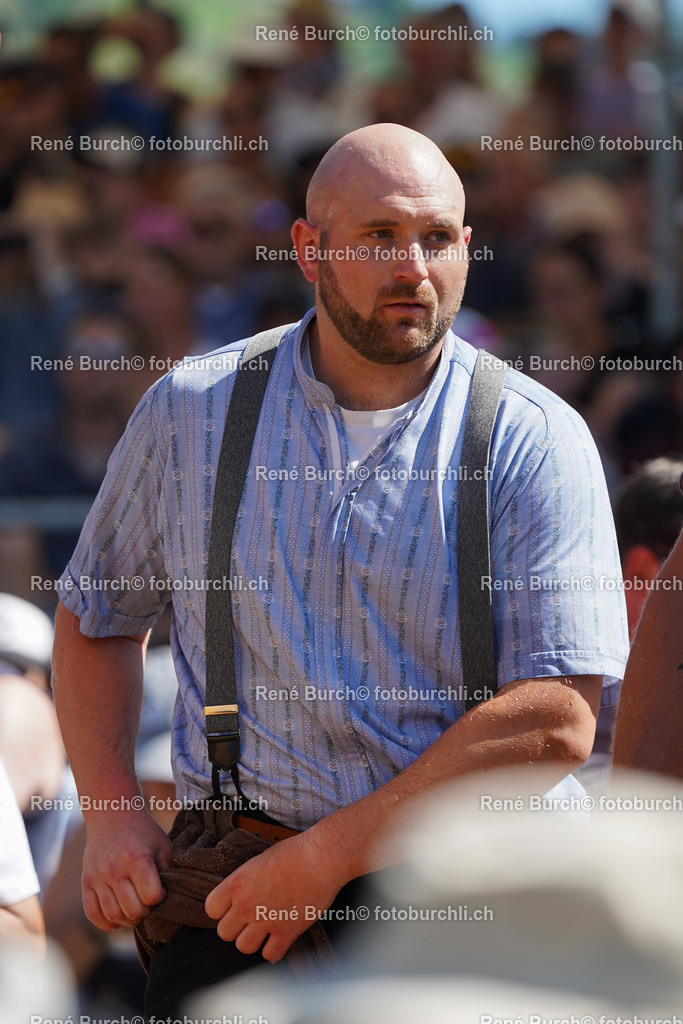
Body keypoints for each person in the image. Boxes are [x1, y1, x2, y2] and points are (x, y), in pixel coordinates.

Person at [52, 124, 629, 1009]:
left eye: (437, 239)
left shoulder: (532, 437)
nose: (414, 268)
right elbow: (96, 617)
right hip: (240, 900)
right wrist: (112, 811)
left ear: (468, 248)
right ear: (307, 248)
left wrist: (323, 860)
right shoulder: (194, 411)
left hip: (469, 903)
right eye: (379, 237)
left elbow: (553, 718)